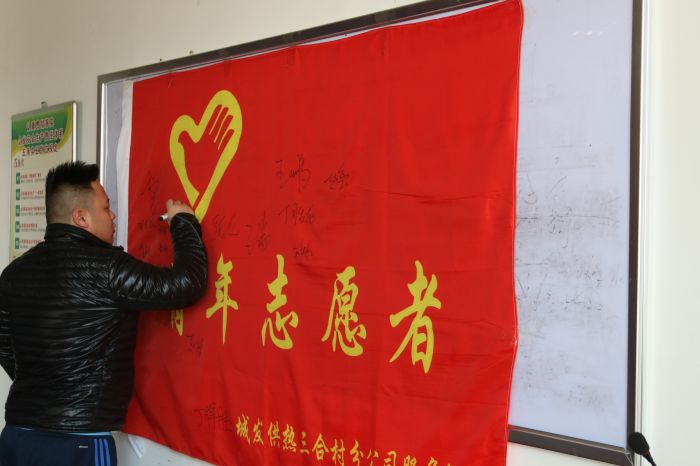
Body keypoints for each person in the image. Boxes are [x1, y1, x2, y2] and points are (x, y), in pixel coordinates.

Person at [0, 161, 208, 466]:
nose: (112, 216)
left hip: (17, 437)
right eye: (106, 207)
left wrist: (49, 385)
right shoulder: (107, 268)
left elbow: (5, 346)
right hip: (79, 442)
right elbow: (186, 284)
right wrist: (183, 222)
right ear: (81, 217)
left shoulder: (14, 274)